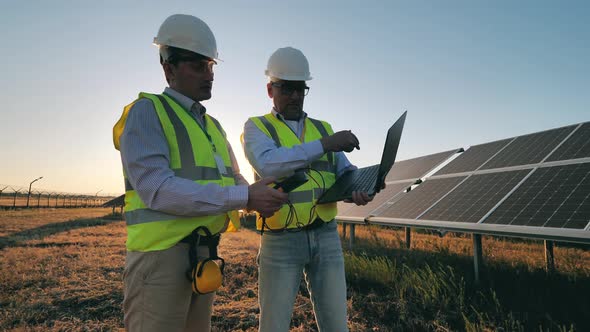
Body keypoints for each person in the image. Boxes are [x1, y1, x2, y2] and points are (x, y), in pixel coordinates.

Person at [112, 14, 288, 332]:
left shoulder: (213, 126)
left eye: (210, 66)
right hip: (159, 260)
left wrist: (255, 193)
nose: (209, 75)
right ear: (169, 68)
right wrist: (246, 195)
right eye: (197, 65)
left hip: (204, 254)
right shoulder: (147, 112)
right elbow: (157, 188)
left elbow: (233, 177)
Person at [242, 46, 373, 332]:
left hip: (325, 235)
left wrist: (358, 187)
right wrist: (325, 145)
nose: (294, 96)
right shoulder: (257, 128)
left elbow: (344, 171)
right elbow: (269, 165)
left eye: (300, 89)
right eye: (286, 88)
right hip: (280, 240)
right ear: (270, 89)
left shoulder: (323, 128)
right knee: (274, 325)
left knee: (337, 324)